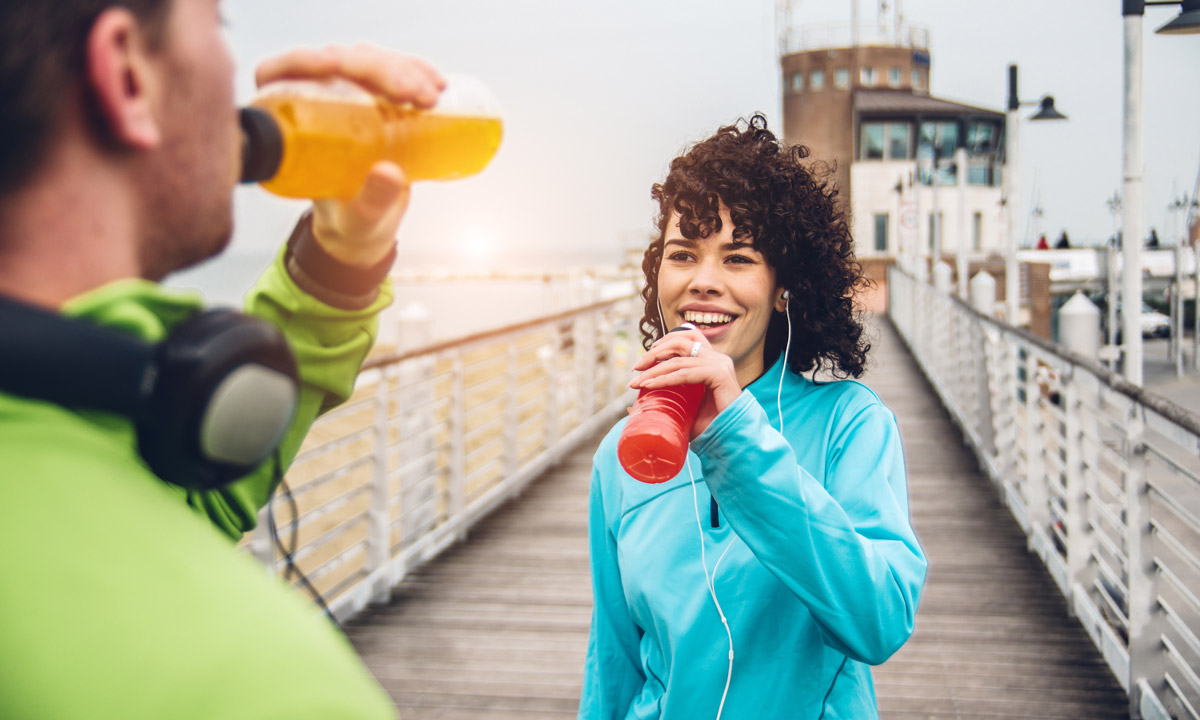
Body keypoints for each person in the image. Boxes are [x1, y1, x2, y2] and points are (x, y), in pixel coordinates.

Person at [0, 1, 446, 717]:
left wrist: (341, 255)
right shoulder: (267, 689)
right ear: (128, 74)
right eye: (219, 23)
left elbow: (155, 505)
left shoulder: (52, 414)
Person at [577, 115, 927, 719]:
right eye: (683, 254)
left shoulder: (850, 425)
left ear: (783, 285)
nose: (703, 282)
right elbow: (613, 661)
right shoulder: (620, 454)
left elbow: (879, 621)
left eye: (738, 258)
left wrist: (735, 435)